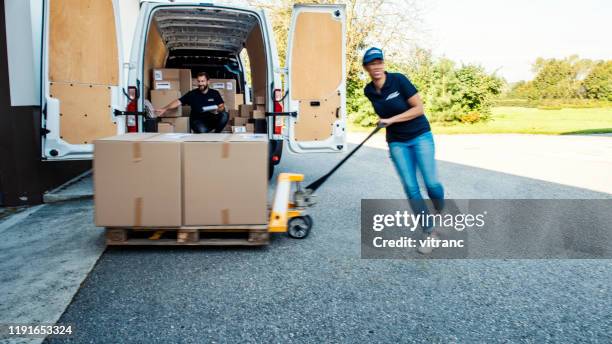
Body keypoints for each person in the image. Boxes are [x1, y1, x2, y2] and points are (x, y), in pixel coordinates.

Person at [362, 47, 445, 254]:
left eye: (379, 62)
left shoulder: (399, 80)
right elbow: (385, 112)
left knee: (431, 183)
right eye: (372, 64)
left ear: (384, 63)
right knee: (410, 187)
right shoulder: (369, 91)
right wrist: (383, 121)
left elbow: (419, 109)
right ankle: (430, 232)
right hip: (397, 141)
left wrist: (391, 120)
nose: (377, 66)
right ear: (366, 68)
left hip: (420, 135)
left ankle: (441, 209)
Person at [154, 72, 228, 133]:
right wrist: (165, 108)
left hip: (212, 119)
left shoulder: (215, 93)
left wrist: (217, 110)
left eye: (203, 81)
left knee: (225, 115)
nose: (200, 83)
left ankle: (216, 133)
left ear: (208, 82)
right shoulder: (192, 94)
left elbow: (221, 107)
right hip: (198, 121)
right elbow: (178, 101)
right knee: (202, 132)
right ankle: (207, 133)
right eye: (199, 81)